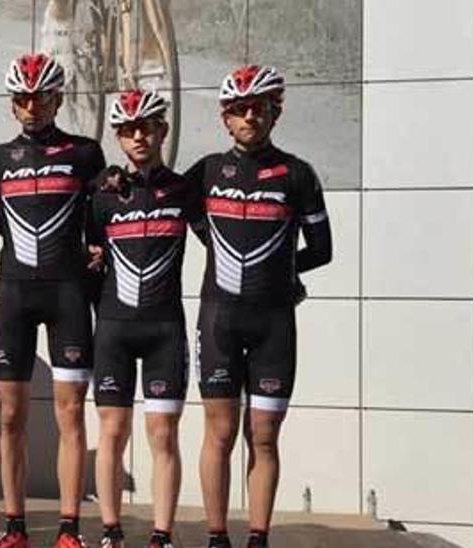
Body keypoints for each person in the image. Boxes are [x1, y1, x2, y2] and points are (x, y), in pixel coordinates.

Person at [185, 65, 332, 548]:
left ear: (275, 113)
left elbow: (322, 248)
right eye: (240, 110)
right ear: (225, 118)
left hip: (273, 324)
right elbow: (160, 200)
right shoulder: (206, 171)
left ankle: (258, 539)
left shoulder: (297, 173)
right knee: (220, 433)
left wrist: (285, 276)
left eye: (260, 108)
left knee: (263, 436)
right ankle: (216, 537)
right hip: (219, 319)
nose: (251, 117)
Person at [0, 53, 105, 548]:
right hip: (14, 292)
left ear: (57, 98)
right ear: (13, 106)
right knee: (11, 416)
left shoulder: (85, 152)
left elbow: (99, 225)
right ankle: (14, 526)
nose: (31, 107)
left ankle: (69, 527)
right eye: (22, 99)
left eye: (41, 97)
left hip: (68, 293)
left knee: (70, 413)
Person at [89, 89, 195, 548]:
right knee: (112, 432)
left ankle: (161, 534)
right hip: (113, 327)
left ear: (162, 131)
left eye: (147, 127)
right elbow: (90, 258)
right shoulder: (104, 194)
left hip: (164, 330)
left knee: (162, 434)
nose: (138, 136)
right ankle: (111, 531)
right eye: (129, 129)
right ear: (117, 136)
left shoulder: (186, 189)